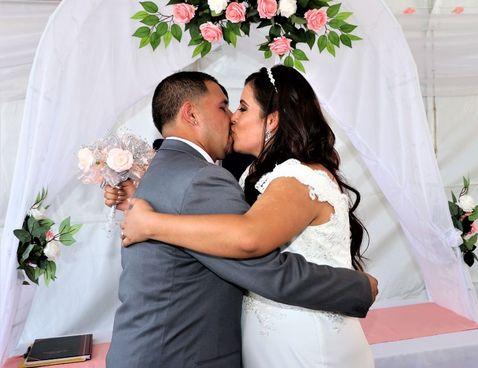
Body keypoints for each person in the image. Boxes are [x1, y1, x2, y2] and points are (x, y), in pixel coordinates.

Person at [104, 70, 378, 368]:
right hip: (185, 352)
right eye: (225, 106)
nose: (233, 116)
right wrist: (356, 287)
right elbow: (257, 261)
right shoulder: (213, 177)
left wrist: (152, 224)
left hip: (302, 342)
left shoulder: (292, 176)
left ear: (272, 120)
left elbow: (249, 240)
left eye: (242, 108)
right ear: (191, 114)